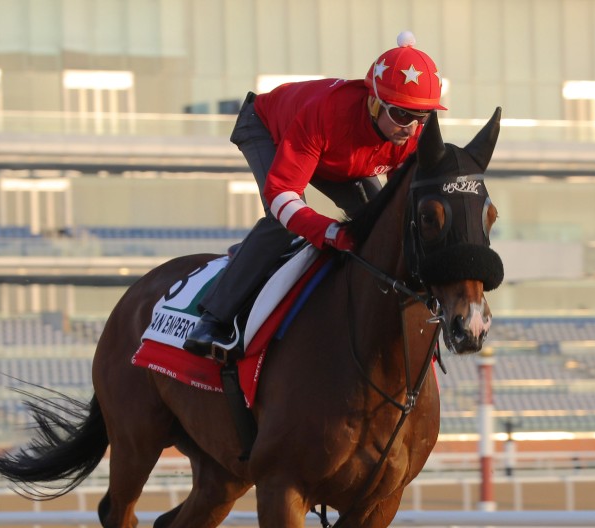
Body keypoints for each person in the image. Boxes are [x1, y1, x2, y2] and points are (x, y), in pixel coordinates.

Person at [183, 31, 447, 360]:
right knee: (285, 223)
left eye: (421, 117)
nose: (410, 128)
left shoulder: (408, 134)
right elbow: (281, 195)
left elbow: (402, 213)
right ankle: (213, 318)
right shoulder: (325, 114)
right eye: (402, 115)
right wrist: (329, 231)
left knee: (382, 229)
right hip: (268, 128)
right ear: (374, 101)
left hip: (336, 157)